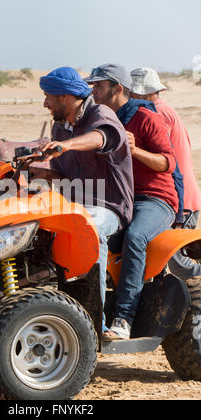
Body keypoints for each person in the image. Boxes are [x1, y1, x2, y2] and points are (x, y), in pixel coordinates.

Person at [85, 64, 179, 339]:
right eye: (92, 86)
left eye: (98, 86)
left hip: (155, 199)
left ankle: (123, 319)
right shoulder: (100, 119)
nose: (94, 92)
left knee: (135, 237)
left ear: (119, 89)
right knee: (85, 232)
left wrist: (134, 149)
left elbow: (168, 163)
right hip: (118, 199)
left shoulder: (145, 118)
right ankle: (88, 317)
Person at [38, 67, 134, 337]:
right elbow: (62, 173)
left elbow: (100, 138)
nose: (45, 103)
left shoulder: (100, 115)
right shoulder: (60, 126)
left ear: (66, 97)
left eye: (49, 96)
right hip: (73, 206)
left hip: (109, 208)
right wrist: (35, 171)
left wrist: (67, 145)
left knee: (87, 226)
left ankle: (94, 323)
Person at [131, 67, 201, 280]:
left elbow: (167, 163)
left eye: (132, 92)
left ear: (144, 92)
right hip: (184, 197)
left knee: (180, 266)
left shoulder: (155, 113)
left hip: (179, 200)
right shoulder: (166, 110)